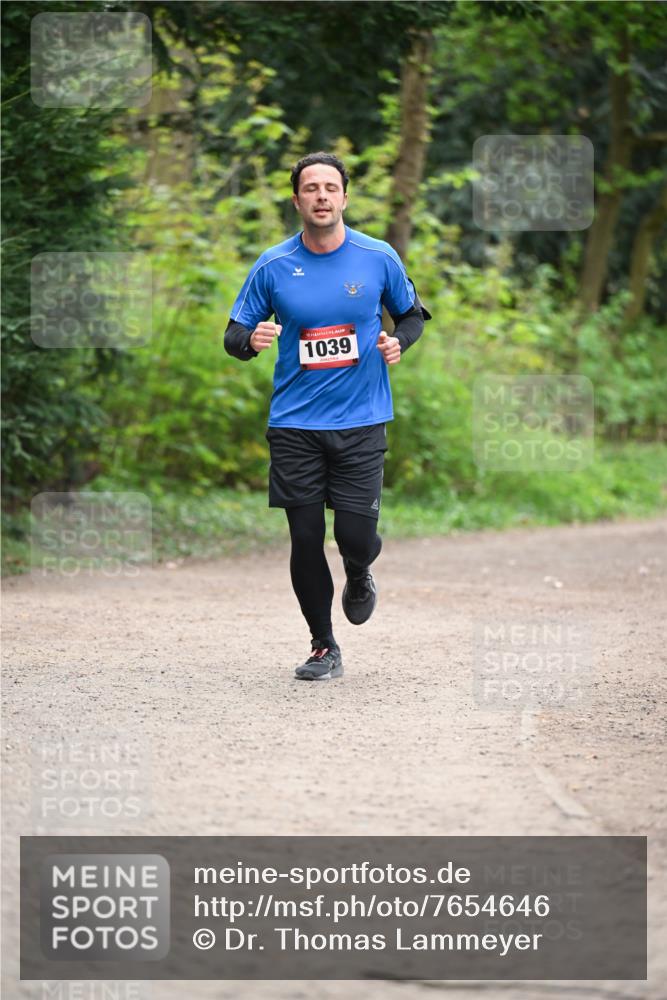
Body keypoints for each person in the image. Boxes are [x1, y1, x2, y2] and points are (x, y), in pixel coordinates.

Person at [224, 151, 430, 680]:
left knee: (355, 538)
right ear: (297, 201)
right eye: (310, 188)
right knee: (305, 535)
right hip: (295, 424)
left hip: (362, 420)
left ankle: (359, 571)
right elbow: (233, 335)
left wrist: (398, 342)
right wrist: (251, 338)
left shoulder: (377, 256)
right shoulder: (273, 265)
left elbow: (411, 314)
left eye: (330, 187)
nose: (321, 196)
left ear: (344, 197)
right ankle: (323, 645)